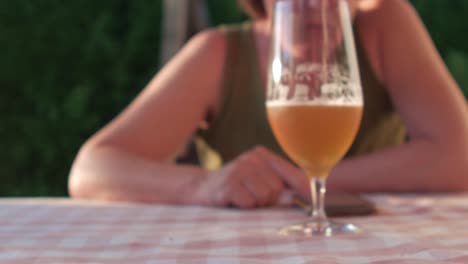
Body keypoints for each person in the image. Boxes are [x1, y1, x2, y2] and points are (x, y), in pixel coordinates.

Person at [69, 0, 468, 208]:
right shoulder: (218, 55)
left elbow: (459, 158)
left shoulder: (385, 25)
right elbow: (93, 167)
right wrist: (204, 186)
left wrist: (302, 183)